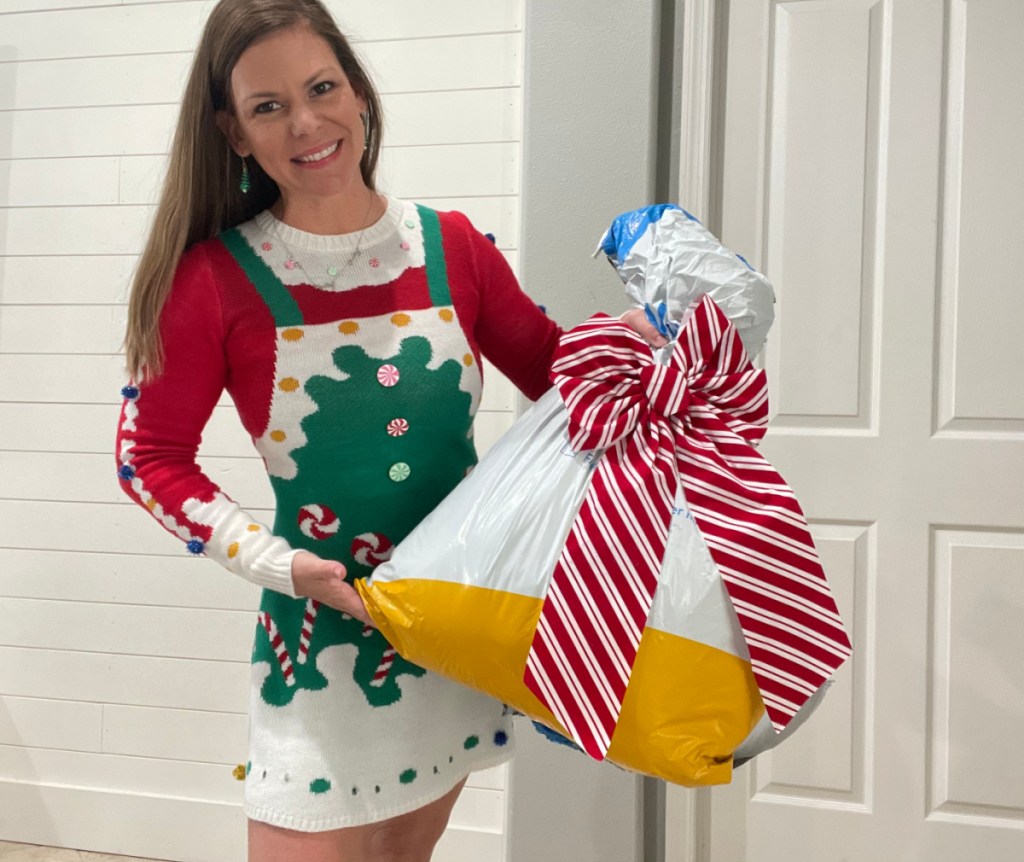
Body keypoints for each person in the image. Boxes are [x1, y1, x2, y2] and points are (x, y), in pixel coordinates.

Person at [117, 1, 663, 859]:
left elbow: (564, 380)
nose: (307, 122)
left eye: (322, 86)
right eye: (268, 106)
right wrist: (277, 563)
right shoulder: (213, 281)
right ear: (234, 133)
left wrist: (635, 346)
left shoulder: (455, 249)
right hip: (319, 639)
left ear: (359, 93)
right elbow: (148, 460)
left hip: (450, 629)